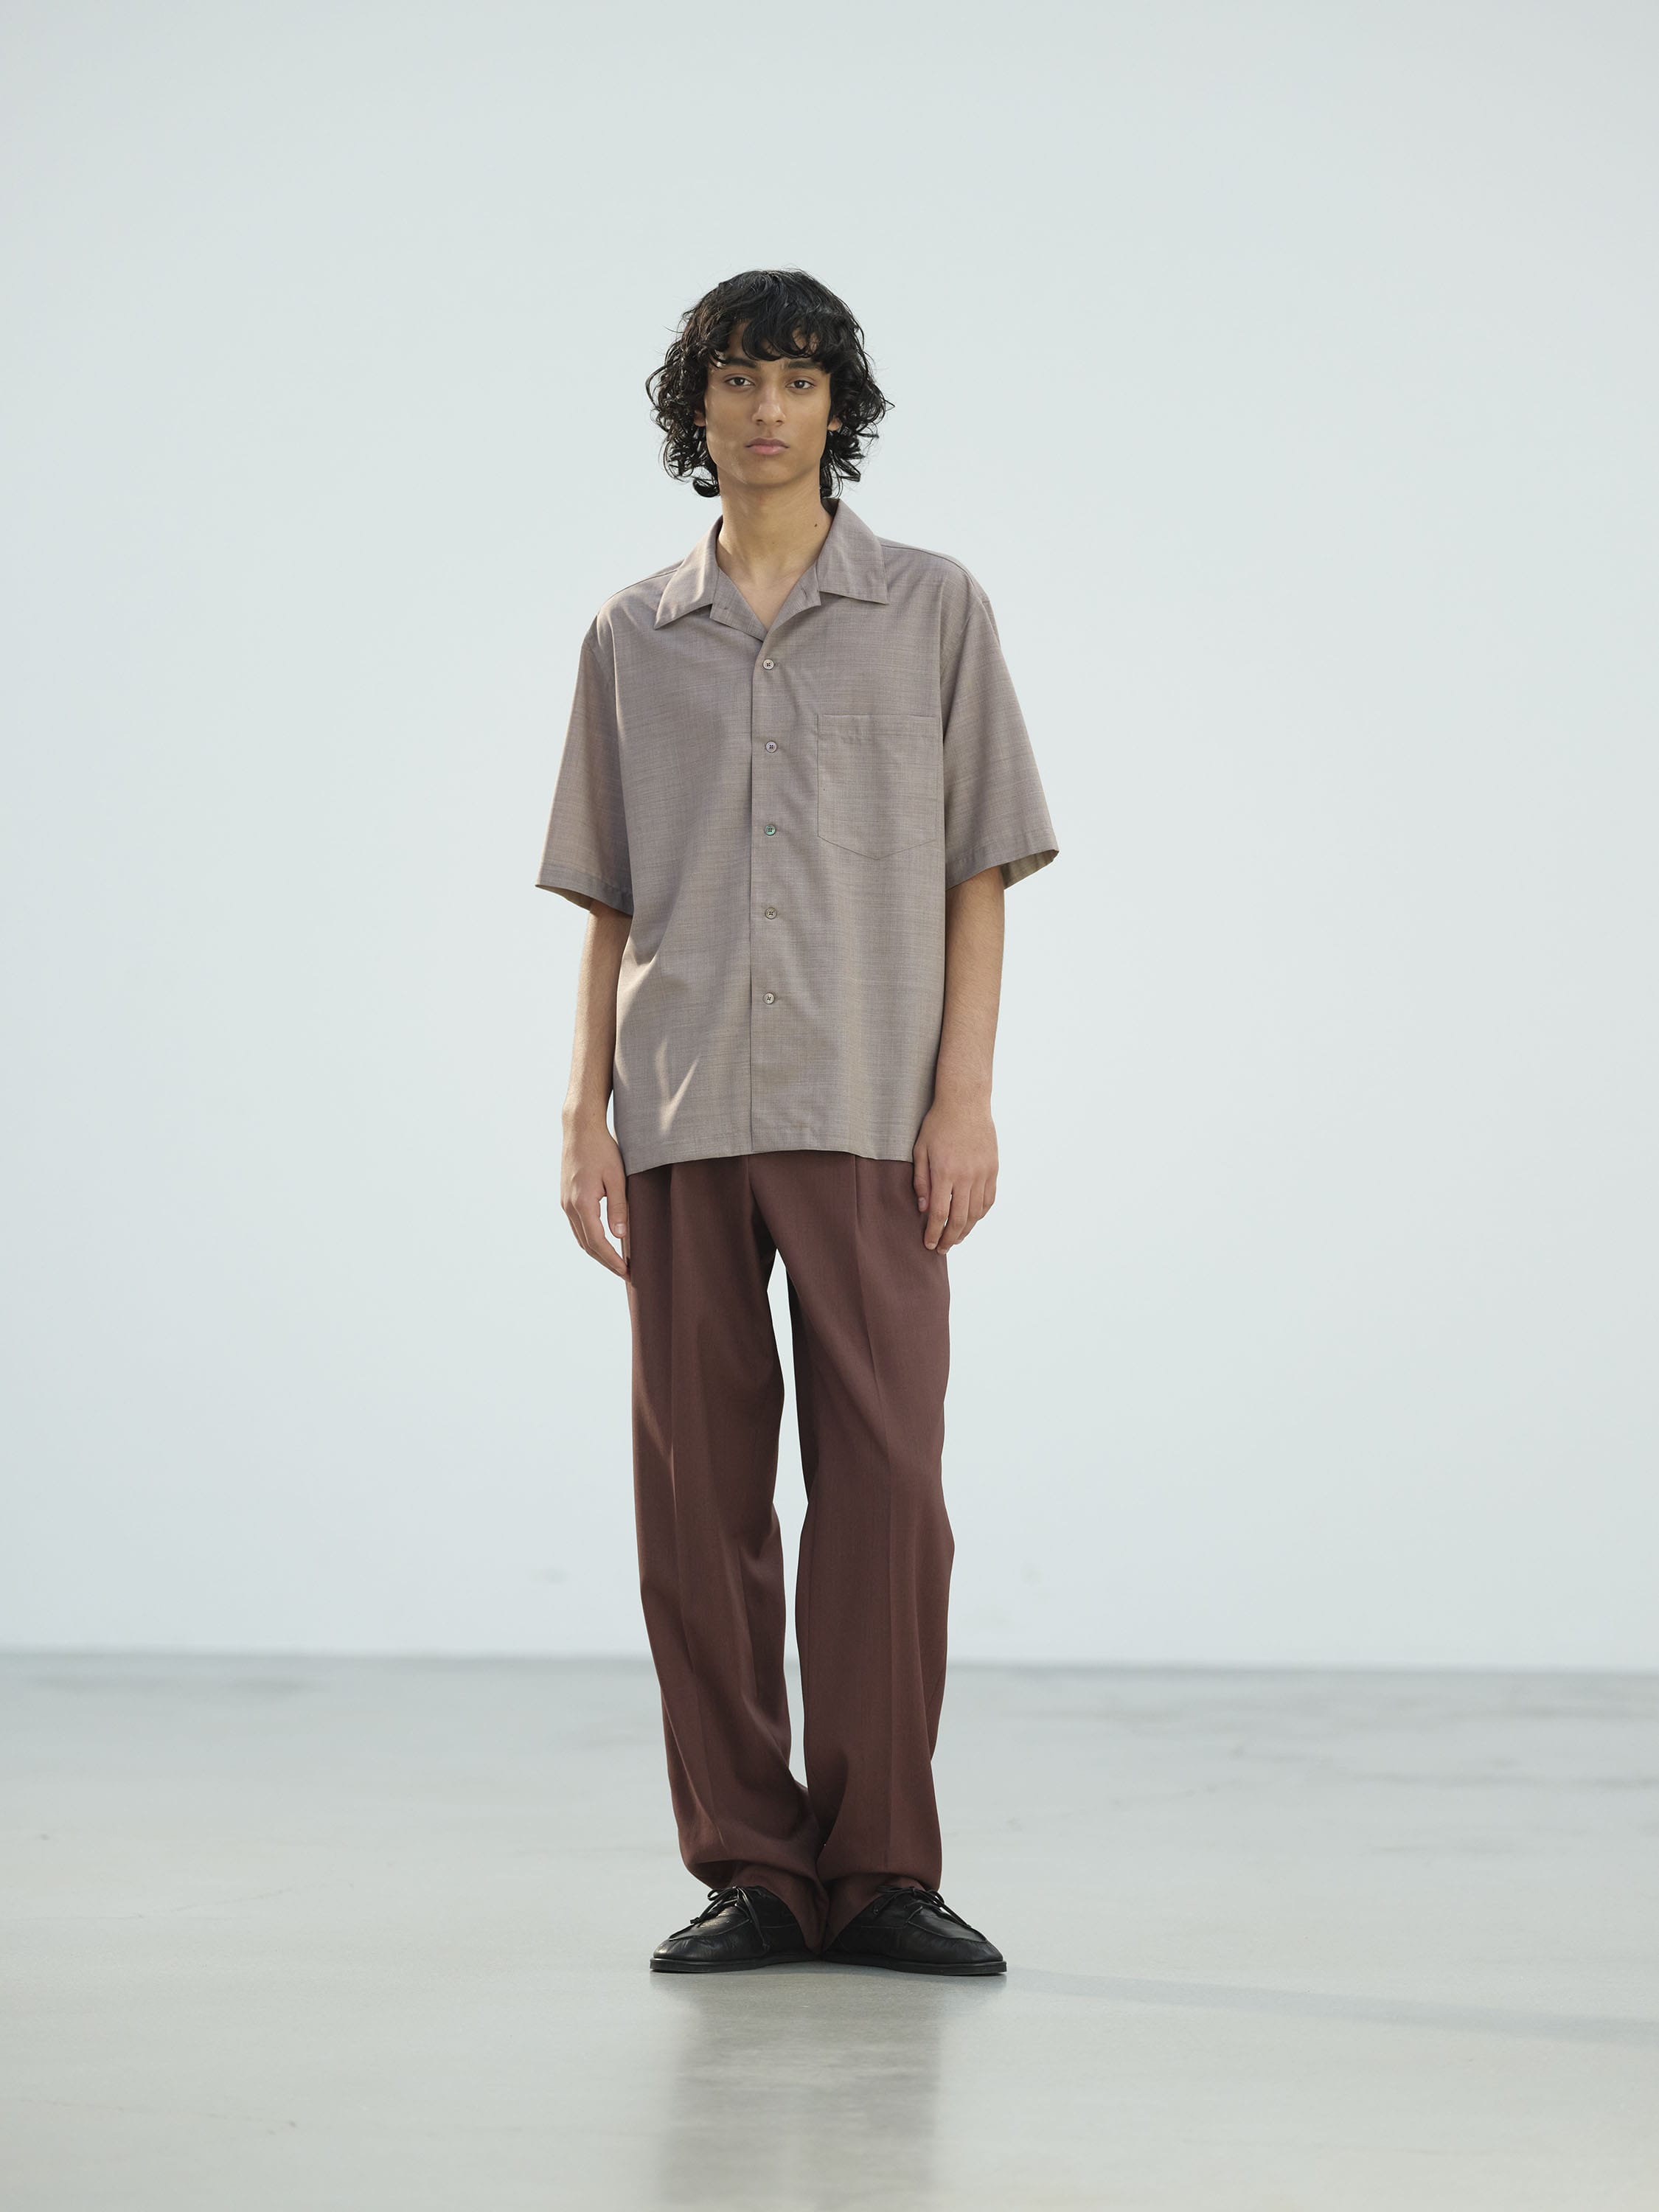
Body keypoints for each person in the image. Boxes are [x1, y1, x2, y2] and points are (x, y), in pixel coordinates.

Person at [536, 268, 1057, 1975]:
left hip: (870, 1108)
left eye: (801, 379)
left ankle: (883, 1867)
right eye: (740, 378)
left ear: (842, 407)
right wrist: (580, 1115)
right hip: (679, 1107)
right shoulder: (631, 634)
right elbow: (608, 900)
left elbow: (981, 872)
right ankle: (753, 1870)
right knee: (699, 1504)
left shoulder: (934, 610)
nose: (768, 409)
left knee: (888, 1489)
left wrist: (965, 1099)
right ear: (696, 407)